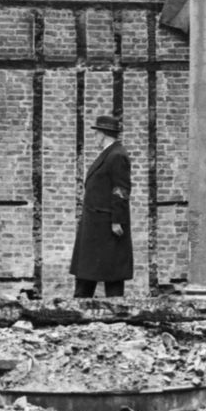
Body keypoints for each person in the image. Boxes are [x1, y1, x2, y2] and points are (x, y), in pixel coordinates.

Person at [70, 114, 133, 298]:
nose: (94, 137)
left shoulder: (117, 155)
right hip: (96, 222)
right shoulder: (110, 154)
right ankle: (79, 308)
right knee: (89, 269)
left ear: (103, 134)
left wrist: (117, 221)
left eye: (96, 133)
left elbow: (120, 190)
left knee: (111, 272)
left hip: (106, 223)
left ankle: (116, 312)